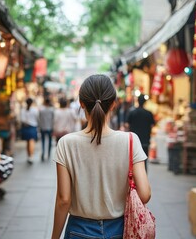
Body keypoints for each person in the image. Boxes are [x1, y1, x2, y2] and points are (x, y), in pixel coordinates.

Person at [51, 74, 151, 239]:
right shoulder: (130, 140)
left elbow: (63, 199)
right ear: (113, 104)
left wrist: (54, 237)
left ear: (82, 103)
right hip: (119, 229)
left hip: (79, 230)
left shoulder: (66, 143)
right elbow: (145, 194)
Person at [125, 94, 155, 172]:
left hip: (134, 141)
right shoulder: (149, 113)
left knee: (133, 161)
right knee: (144, 160)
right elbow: (152, 125)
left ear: (137, 101)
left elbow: (127, 125)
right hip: (145, 140)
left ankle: (134, 178)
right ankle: (143, 177)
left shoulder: (132, 112)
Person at [20, 98, 39, 164]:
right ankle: (31, 156)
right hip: (32, 127)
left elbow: (22, 119)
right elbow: (37, 118)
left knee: (28, 142)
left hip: (25, 127)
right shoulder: (34, 110)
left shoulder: (23, 110)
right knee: (31, 142)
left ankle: (29, 156)